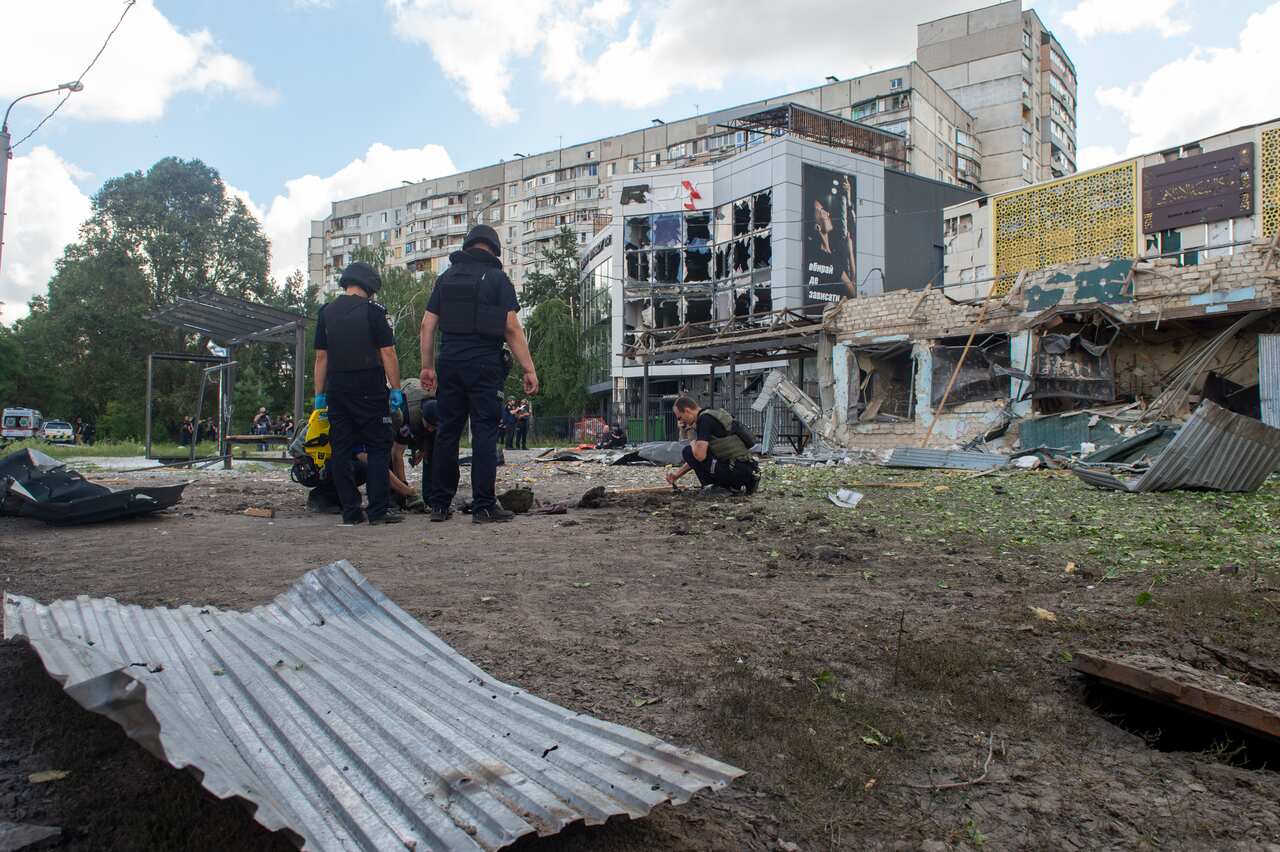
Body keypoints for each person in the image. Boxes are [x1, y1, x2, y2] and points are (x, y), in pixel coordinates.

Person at [419, 224, 538, 524]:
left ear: (469, 246)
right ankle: (484, 506)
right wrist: (529, 368)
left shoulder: (445, 279)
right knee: (484, 431)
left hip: (450, 362)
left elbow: (426, 325)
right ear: (494, 250)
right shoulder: (498, 279)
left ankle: (439, 504)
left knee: (447, 432)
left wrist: (427, 366)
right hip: (484, 364)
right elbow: (511, 327)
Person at [313, 260, 405, 526]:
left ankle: (351, 511)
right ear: (370, 287)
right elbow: (387, 352)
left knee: (340, 449)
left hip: (337, 389)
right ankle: (377, 511)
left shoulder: (326, 313)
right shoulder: (374, 312)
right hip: (369, 388)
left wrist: (320, 394)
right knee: (378, 447)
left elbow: (321, 357)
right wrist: (395, 387)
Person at [666, 396, 761, 496]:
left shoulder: (704, 420)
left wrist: (692, 438)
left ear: (687, 411)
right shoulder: (713, 415)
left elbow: (699, 455)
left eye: (680, 417)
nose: (681, 422)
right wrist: (677, 475)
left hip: (734, 470)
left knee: (688, 451)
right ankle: (737, 485)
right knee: (693, 451)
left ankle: (715, 487)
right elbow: (698, 458)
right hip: (748, 469)